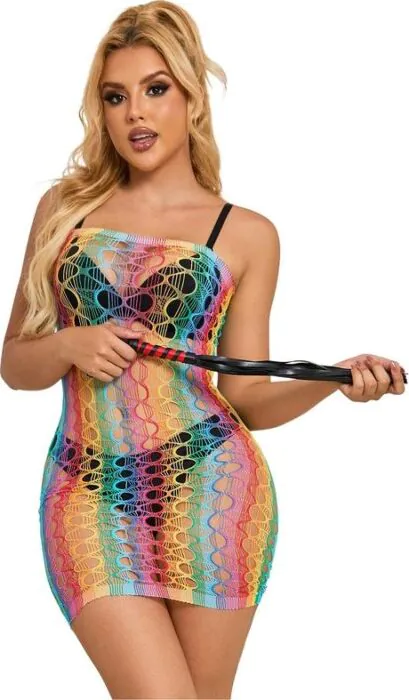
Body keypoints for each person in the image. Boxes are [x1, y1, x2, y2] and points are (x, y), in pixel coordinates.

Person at [0, 2, 405, 698]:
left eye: (155, 89)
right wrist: (69, 342)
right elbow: (14, 364)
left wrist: (332, 379)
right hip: (87, 491)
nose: (135, 112)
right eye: (115, 96)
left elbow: (248, 400)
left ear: (190, 97)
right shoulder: (66, 209)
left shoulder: (246, 233)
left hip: (212, 489)